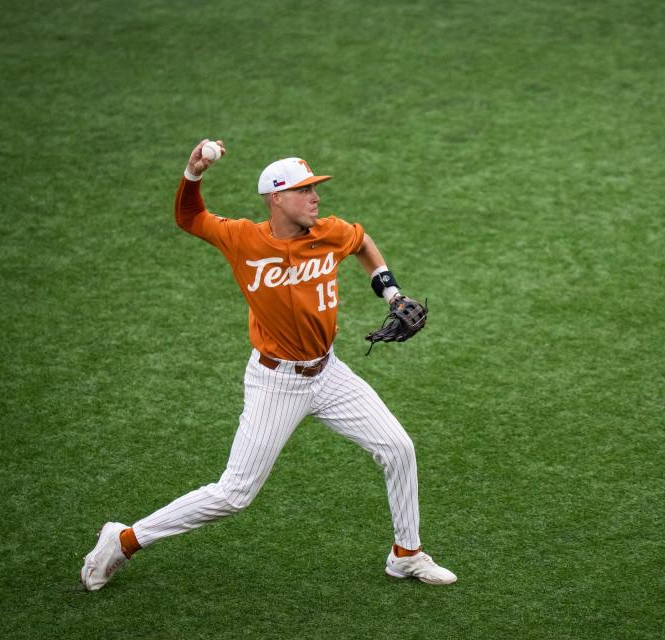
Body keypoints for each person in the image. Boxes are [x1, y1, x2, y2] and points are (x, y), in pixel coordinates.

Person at [79, 139, 456, 590]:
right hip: (276, 383)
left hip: (330, 372)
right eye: (304, 190)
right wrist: (193, 172)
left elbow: (362, 241)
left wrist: (391, 292)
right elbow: (188, 217)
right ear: (276, 197)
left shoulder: (329, 231)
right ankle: (122, 540)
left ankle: (406, 554)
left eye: (315, 188)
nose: (315, 197)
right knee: (234, 494)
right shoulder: (243, 239)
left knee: (398, 448)